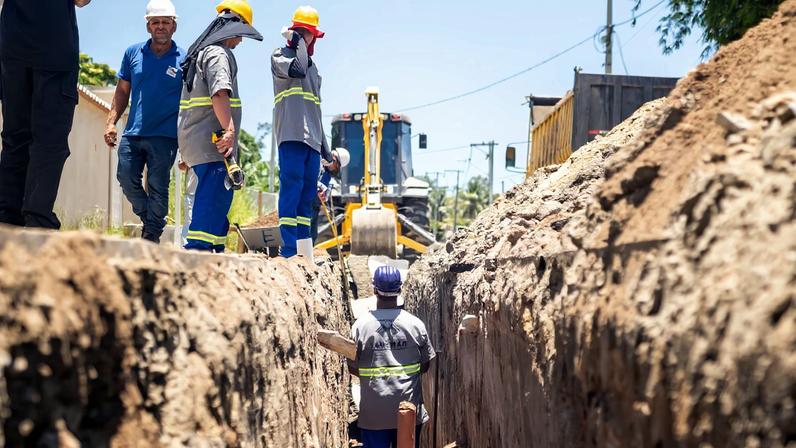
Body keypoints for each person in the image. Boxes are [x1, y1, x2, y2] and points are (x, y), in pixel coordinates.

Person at [178, 0, 262, 252]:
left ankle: (214, 255)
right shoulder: (218, 54)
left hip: (199, 143)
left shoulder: (201, 53)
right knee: (211, 200)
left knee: (217, 202)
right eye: (241, 34)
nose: (241, 41)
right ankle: (197, 253)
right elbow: (219, 93)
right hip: (212, 145)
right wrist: (230, 129)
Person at [0, 0, 91, 229]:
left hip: (12, 47)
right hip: (54, 49)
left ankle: (6, 217)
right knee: (49, 141)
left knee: (15, 136)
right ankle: (37, 220)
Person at [103, 0, 184, 243]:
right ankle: (151, 219)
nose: (160, 26)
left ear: (174, 26)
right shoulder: (132, 53)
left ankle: (151, 235)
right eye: (155, 22)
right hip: (133, 132)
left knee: (159, 186)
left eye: (165, 22)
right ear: (148, 26)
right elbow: (121, 92)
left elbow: (191, 101)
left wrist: (188, 142)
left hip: (166, 135)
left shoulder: (185, 58)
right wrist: (111, 122)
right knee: (125, 178)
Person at [349, 266, 436, 448]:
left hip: (374, 415)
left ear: (374, 290)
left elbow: (352, 367)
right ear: (399, 290)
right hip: (407, 410)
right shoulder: (415, 324)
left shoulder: (360, 326)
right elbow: (425, 365)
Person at [271, 6, 332, 260]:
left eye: (311, 36)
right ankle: (288, 250)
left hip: (311, 139)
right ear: (295, 34)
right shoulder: (280, 56)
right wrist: (297, 44)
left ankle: (303, 250)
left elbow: (315, 109)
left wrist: (324, 147)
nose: (310, 40)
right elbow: (297, 68)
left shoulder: (315, 69)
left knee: (307, 197)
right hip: (292, 134)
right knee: (291, 190)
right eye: (306, 34)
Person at [312, 147, 350, 244]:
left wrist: (324, 196)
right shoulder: (316, 161)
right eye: (336, 166)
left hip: (314, 207)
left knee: (312, 234)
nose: (334, 168)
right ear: (333, 157)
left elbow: (325, 192)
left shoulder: (328, 175)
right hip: (306, 203)